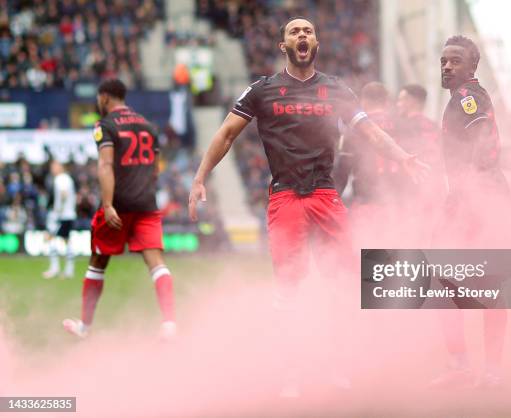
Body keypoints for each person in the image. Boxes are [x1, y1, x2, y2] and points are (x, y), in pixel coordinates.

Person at [189, 17, 428, 396]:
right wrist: (200, 176)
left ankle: (334, 366)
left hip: (325, 194)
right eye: (294, 32)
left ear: (316, 42)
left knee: (341, 284)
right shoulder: (263, 91)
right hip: (285, 196)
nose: (302, 35)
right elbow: (226, 134)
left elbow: (369, 131)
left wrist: (403, 157)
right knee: (289, 290)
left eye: (308, 31)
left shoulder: (336, 90)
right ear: (284, 45)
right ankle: (291, 373)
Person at [63, 79, 176, 340]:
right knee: (157, 264)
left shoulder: (106, 125)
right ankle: (169, 322)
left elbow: (105, 165)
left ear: (104, 98)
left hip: (119, 205)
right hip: (147, 204)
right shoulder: (149, 126)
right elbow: (154, 169)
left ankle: (85, 326)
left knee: (97, 263)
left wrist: (107, 204)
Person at [431, 35, 511, 388]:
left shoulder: (467, 97)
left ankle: (480, 369)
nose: (447, 66)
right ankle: (470, 367)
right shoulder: (462, 97)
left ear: (472, 67)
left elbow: (481, 141)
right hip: (476, 199)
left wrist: (464, 192)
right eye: (443, 61)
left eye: (455, 61)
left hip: (481, 201)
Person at [333, 81, 398, 247]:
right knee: (399, 257)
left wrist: (333, 200)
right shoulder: (404, 125)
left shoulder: (355, 129)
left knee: (369, 258)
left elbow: (342, 170)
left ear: (363, 101)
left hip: (368, 202)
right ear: (386, 101)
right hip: (401, 203)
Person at [395, 84, 442, 246]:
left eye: (401, 100)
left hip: (406, 193)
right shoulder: (434, 126)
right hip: (431, 193)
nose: (398, 104)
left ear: (411, 102)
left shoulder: (400, 127)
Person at [43, 160, 77, 279]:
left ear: (60, 167)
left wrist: (58, 211)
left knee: (50, 238)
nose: (52, 169)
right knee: (65, 240)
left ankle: (55, 268)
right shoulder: (67, 178)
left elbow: (63, 194)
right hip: (68, 214)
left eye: (54, 166)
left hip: (62, 215)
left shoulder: (61, 179)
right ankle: (68, 270)